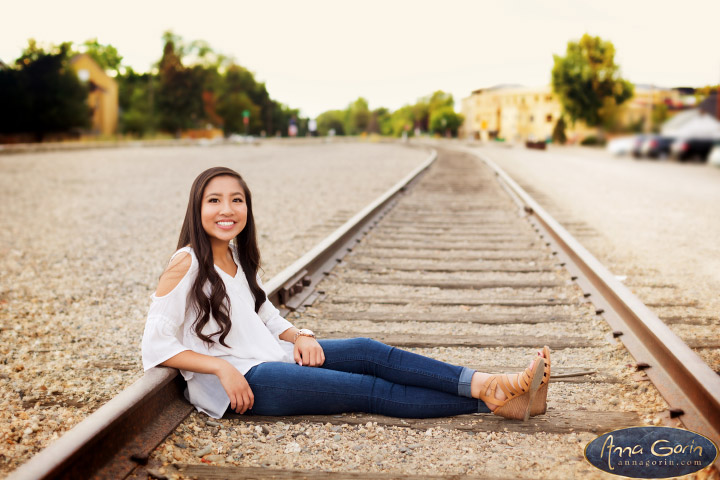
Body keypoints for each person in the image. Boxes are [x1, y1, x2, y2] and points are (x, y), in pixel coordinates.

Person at [141, 167, 551, 421]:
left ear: (247, 208)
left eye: (236, 200)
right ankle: (494, 399)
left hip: (271, 356)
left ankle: (487, 385)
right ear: (197, 208)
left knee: (368, 351)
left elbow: (263, 312)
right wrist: (221, 369)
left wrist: (299, 335)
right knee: (366, 389)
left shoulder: (236, 256)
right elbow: (155, 344)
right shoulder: (187, 262)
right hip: (246, 383)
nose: (226, 209)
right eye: (214, 200)